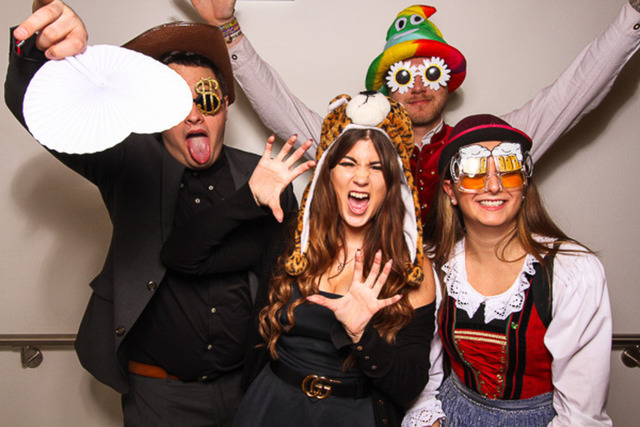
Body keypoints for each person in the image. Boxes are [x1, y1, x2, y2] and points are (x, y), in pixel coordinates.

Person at [4, 1, 314, 425]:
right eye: (175, 102)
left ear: (225, 104)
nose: (193, 114)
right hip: (157, 394)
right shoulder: (126, 162)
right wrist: (36, 47)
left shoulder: (261, 174)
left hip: (245, 386)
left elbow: (281, 278)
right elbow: (33, 109)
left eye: (206, 98)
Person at [190, 0, 640, 222]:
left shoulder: (485, 149)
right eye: (406, 75)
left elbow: (569, 96)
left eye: (432, 72)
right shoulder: (357, 148)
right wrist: (227, 29)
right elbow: (281, 106)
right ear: (387, 87)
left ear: (449, 81)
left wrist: (632, 15)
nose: (420, 86)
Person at [162, 91, 437, 427]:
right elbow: (182, 256)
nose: (361, 178)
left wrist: (362, 335)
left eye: (376, 167)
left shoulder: (410, 267)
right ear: (327, 173)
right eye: (348, 163)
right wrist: (247, 198)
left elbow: (410, 386)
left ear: (393, 182)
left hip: (353, 417)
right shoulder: (290, 239)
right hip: (271, 408)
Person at [403, 114, 612, 426]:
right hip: (452, 414)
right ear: (451, 190)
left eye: (508, 168)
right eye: (474, 171)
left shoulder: (572, 270)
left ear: (525, 183)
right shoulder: (434, 264)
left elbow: (581, 415)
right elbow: (425, 374)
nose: (493, 185)